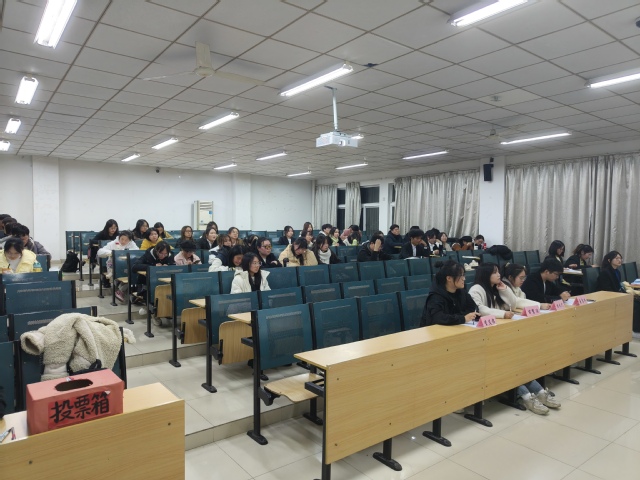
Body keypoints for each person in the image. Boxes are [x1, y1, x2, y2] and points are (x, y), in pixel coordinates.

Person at [421, 260, 478, 326]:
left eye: (463, 275)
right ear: (449, 278)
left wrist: (459, 318)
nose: (464, 279)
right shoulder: (435, 297)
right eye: (461, 275)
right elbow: (438, 318)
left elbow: (472, 308)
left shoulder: (461, 292)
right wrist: (462, 318)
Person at [597, 251, 640, 334]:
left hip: (617, 294)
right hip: (609, 297)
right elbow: (606, 289)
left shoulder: (617, 271)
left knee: (637, 301)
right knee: (636, 305)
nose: (619, 260)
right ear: (609, 260)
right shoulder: (605, 272)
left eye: (620, 258)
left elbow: (618, 287)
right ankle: (636, 328)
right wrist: (622, 295)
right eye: (617, 258)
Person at [97, 230, 139, 303]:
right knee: (127, 275)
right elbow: (100, 252)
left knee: (134, 275)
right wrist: (112, 253)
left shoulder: (132, 244)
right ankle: (121, 290)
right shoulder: (113, 243)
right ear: (119, 238)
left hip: (126, 266)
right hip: (113, 267)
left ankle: (122, 291)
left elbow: (137, 252)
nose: (123, 241)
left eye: (126, 240)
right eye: (122, 239)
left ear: (130, 240)